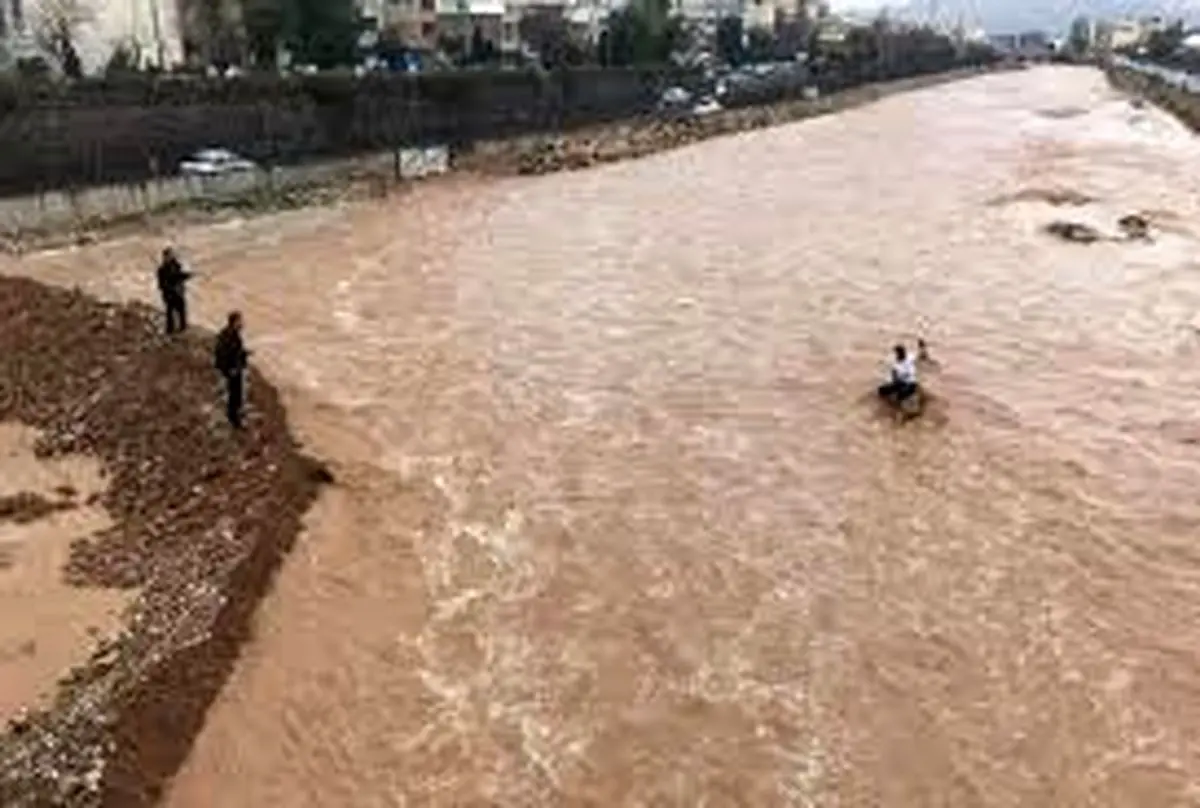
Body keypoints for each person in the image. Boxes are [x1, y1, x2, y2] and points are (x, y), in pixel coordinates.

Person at [213, 311, 250, 429]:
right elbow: (224, 353)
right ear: (234, 322)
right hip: (232, 370)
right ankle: (234, 419)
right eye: (239, 321)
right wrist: (230, 368)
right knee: (235, 395)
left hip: (234, 368)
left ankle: (234, 416)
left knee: (236, 394)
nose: (241, 323)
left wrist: (244, 354)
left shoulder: (230, 334)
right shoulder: (229, 336)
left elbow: (234, 352)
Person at [156, 247, 193, 334]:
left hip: (179, 292)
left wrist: (187, 276)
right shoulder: (162, 270)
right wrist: (169, 288)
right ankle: (170, 331)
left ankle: (183, 329)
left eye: (171, 255)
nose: (169, 257)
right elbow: (161, 284)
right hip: (169, 294)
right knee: (170, 313)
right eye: (167, 256)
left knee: (182, 311)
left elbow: (179, 276)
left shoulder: (176, 265)